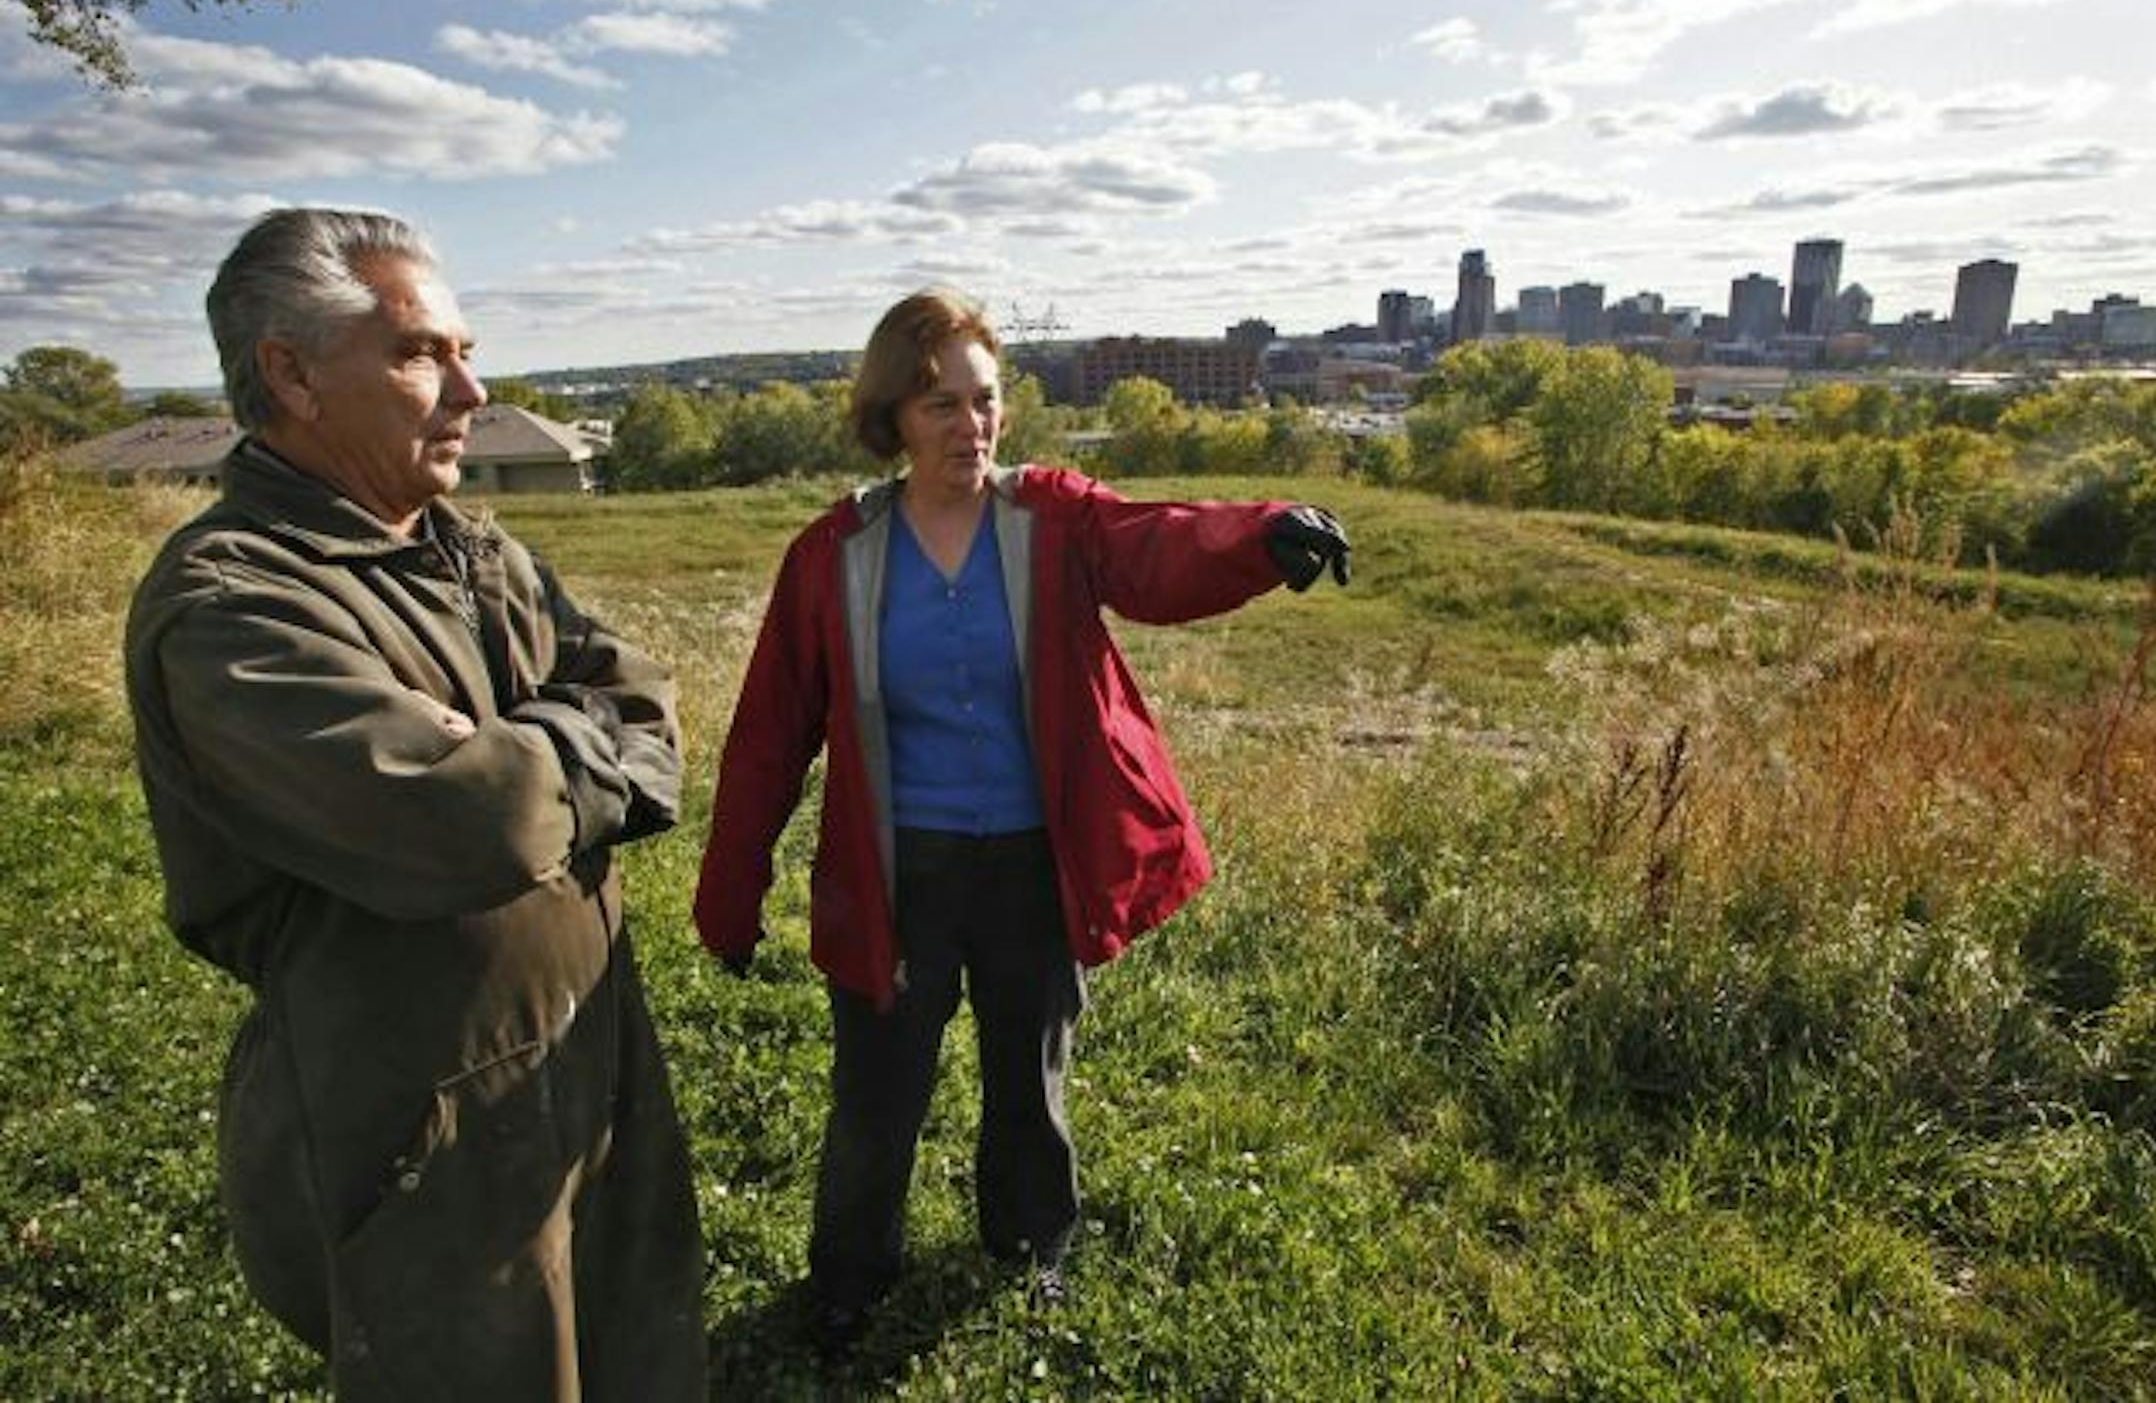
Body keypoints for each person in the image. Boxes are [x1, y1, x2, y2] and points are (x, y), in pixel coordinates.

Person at [690, 288, 1350, 1351]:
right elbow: (769, 733)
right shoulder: (835, 555)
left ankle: (1028, 1245)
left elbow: (1157, 546)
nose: (971, 425)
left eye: (984, 400)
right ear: (892, 418)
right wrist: (731, 893)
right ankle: (850, 1279)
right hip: (898, 873)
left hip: (1034, 863)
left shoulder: (1051, 520)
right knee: (876, 1096)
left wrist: (1262, 534)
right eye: (940, 404)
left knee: (1027, 1079)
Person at [124, 208, 705, 1400]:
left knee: (639, 1348)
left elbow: (645, 703)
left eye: (462, 351)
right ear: (289, 373)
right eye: (420, 353)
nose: (469, 391)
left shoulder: (467, 547)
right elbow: (476, 826)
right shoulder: (235, 603)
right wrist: (547, 749)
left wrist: (524, 748)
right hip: (424, 1126)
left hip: (592, 1063)